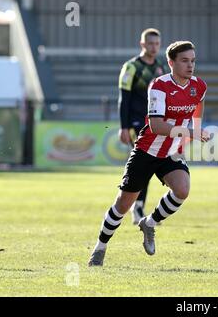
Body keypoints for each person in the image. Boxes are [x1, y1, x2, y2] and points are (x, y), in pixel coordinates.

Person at [89, 41, 209, 266]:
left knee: (182, 189)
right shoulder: (159, 86)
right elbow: (156, 126)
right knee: (123, 205)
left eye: (193, 60)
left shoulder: (199, 86)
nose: (190, 65)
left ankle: (150, 224)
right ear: (171, 63)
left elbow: (198, 103)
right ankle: (100, 247)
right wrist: (190, 131)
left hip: (170, 153)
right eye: (184, 61)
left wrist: (197, 127)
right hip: (146, 151)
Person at [118, 28, 169, 225]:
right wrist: (124, 126)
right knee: (144, 164)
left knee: (148, 165)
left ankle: (137, 206)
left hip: (154, 125)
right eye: (150, 43)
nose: (154, 47)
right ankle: (136, 207)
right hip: (136, 124)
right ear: (142, 44)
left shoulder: (161, 68)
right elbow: (124, 99)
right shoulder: (131, 67)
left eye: (157, 44)